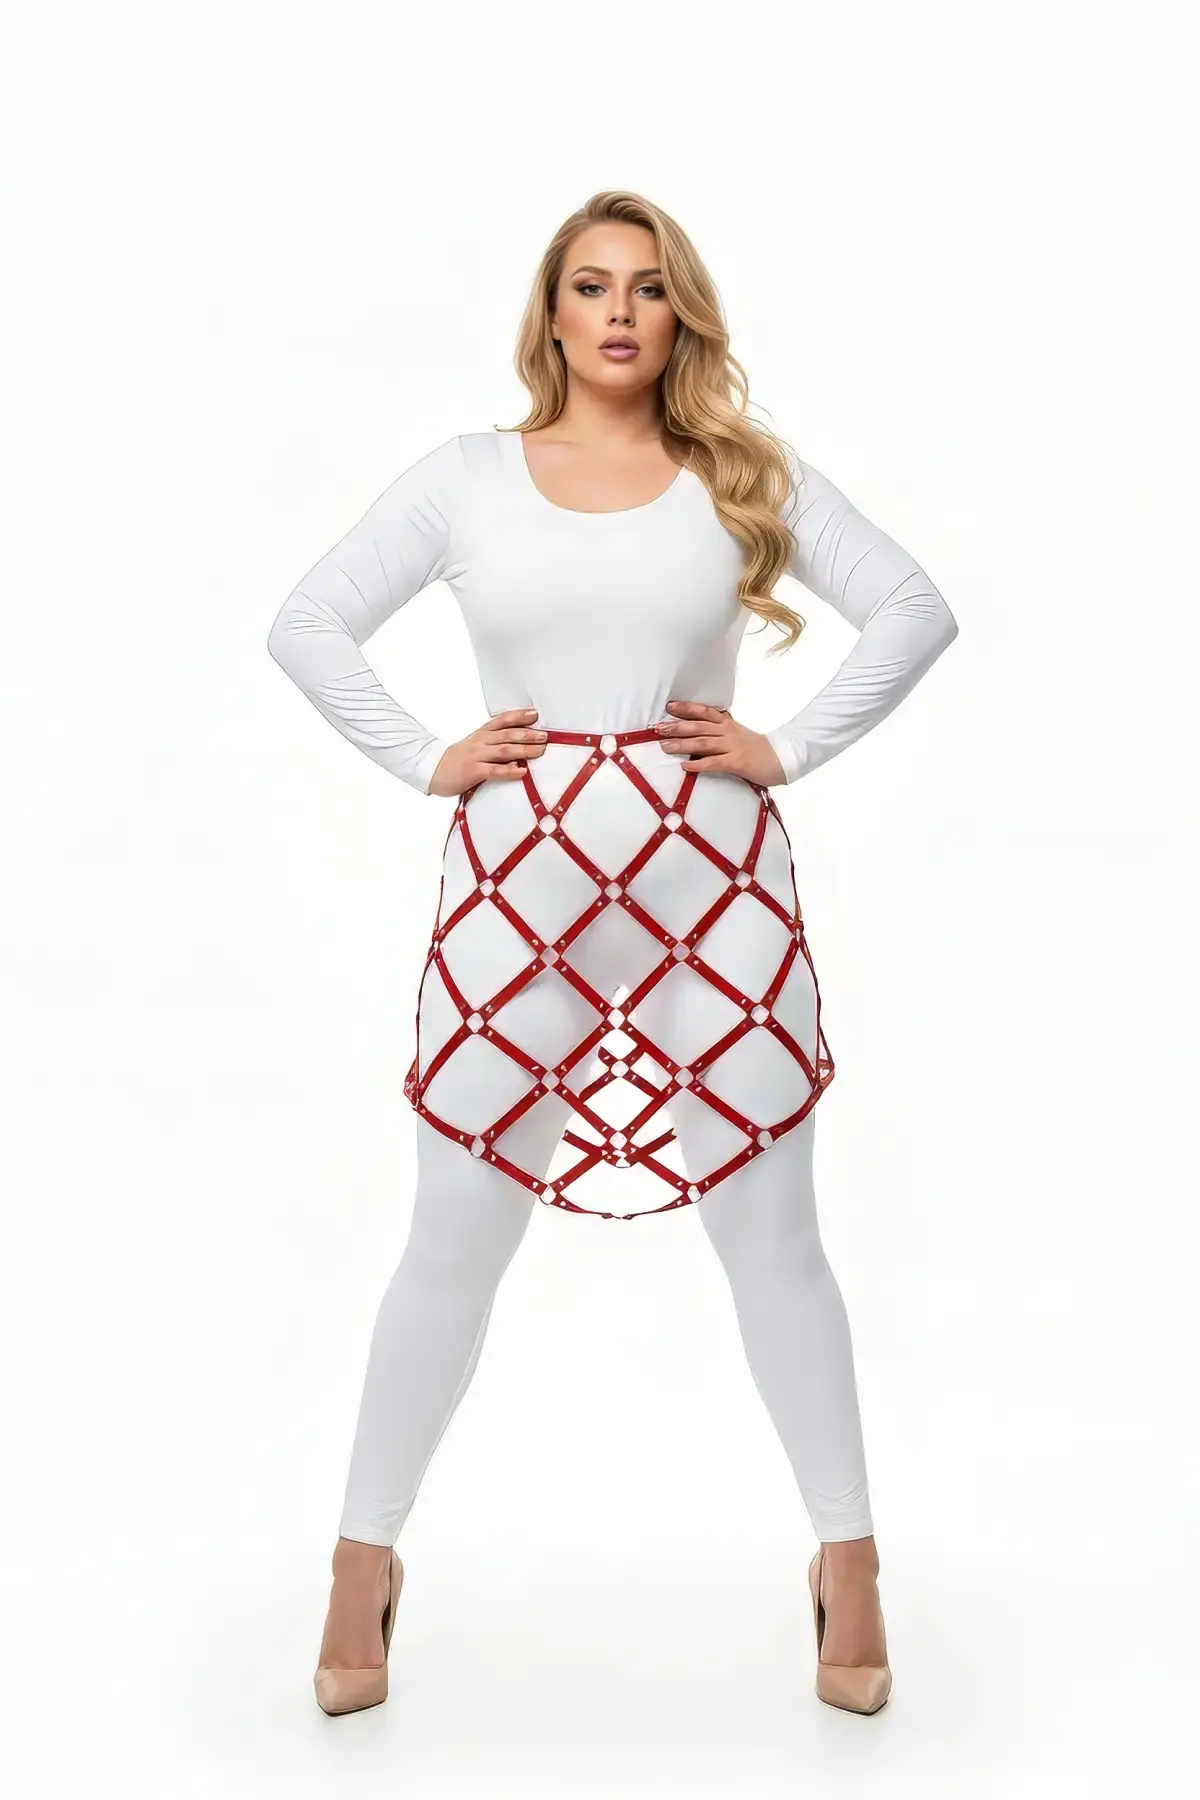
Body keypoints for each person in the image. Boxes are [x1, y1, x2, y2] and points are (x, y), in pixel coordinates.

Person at [267, 190, 959, 1718]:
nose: (621, 313)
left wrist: (787, 744)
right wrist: (426, 755)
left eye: (648, 288)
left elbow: (914, 609)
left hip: (716, 898)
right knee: (457, 1227)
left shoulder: (740, 473)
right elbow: (307, 623)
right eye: (591, 287)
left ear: (680, 311)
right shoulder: (466, 481)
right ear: (553, 315)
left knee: (772, 1230)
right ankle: (360, 1561)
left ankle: (850, 1559)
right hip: (518, 901)